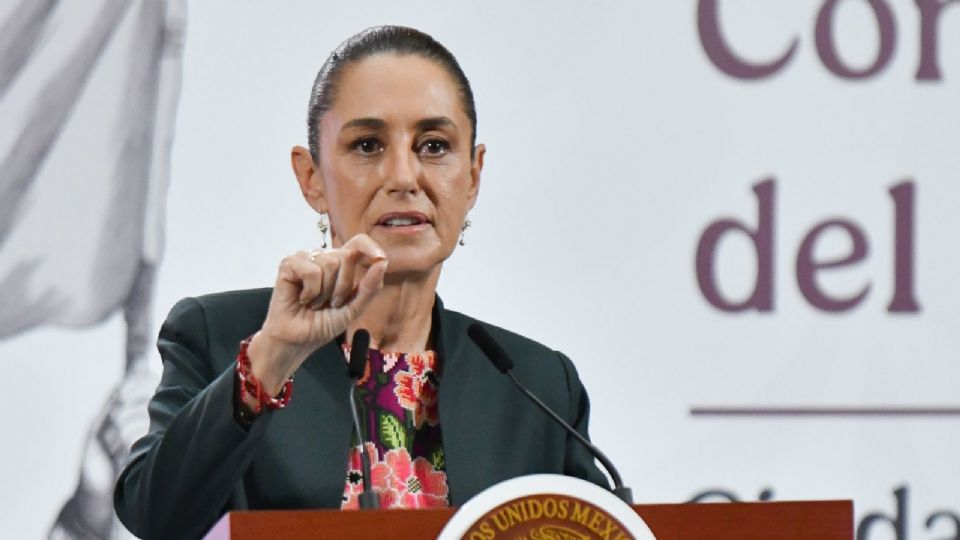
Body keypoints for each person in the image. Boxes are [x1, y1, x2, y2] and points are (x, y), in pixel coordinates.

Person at [114, 25, 608, 539]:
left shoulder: (535, 383)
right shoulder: (220, 337)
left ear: (474, 176)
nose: (403, 176)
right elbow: (156, 518)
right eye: (368, 145)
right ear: (311, 177)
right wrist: (273, 357)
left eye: (434, 145)